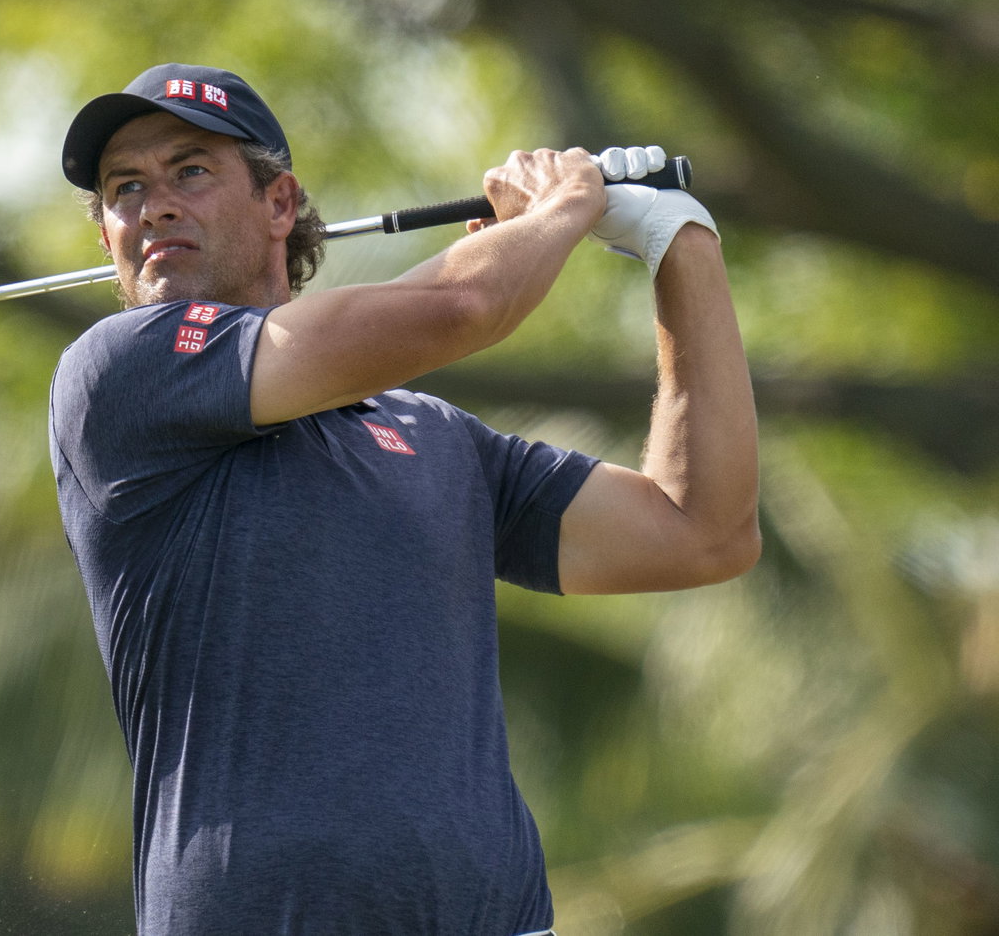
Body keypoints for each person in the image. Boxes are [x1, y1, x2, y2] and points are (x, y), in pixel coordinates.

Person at [47, 63, 760, 936]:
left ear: (280, 205)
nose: (153, 205)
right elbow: (463, 303)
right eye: (125, 189)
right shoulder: (120, 373)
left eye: (190, 170)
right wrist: (562, 209)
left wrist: (679, 244)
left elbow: (703, 532)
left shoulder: (435, 437)